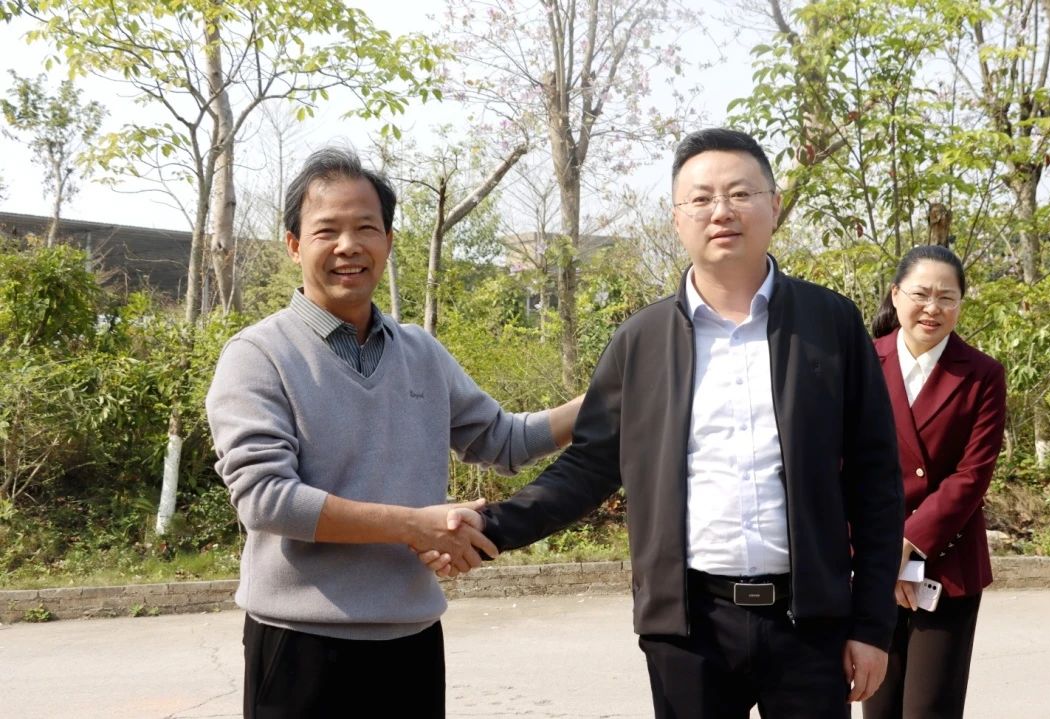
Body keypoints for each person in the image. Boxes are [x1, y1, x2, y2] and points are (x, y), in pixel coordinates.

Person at [426, 127, 904, 718]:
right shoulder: (643, 341)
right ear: (678, 218)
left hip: (812, 626)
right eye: (700, 199)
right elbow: (588, 468)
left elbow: (876, 481)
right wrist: (490, 527)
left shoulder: (830, 324)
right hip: (689, 628)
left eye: (740, 194)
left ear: (775, 205)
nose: (721, 212)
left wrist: (872, 625)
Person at [205, 146, 581, 718]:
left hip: (412, 641)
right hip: (300, 644)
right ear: (294, 245)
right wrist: (413, 525)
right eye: (326, 230)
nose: (347, 246)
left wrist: (606, 401)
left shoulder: (421, 353)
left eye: (366, 228)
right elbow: (266, 499)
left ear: (388, 241)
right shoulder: (258, 355)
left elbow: (503, 440)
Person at [862, 245, 1007, 719]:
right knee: (878, 704)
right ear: (895, 295)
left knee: (930, 708)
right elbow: (841, 465)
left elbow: (973, 474)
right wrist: (882, 552)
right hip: (871, 558)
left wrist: (911, 543)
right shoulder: (862, 361)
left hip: (947, 560)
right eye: (921, 294)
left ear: (961, 304)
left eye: (947, 297)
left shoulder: (983, 374)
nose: (933, 307)